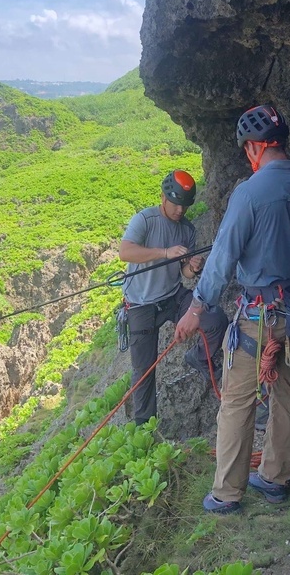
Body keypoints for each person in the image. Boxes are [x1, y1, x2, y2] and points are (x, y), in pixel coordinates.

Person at [173, 105, 290, 513]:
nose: (248, 156)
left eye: (248, 149)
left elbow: (223, 257)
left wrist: (196, 308)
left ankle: (227, 493)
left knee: (238, 402)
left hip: (258, 316)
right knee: (286, 394)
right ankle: (276, 478)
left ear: (256, 148)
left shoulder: (249, 192)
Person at [118, 170, 229, 425]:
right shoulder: (144, 220)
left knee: (215, 320)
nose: (180, 209)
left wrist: (193, 267)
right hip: (140, 304)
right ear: (163, 197)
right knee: (144, 371)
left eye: (185, 204)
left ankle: (199, 357)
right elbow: (125, 252)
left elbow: (184, 273)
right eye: (176, 202)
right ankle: (144, 427)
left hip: (172, 297)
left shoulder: (187, 230)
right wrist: (164, 252)